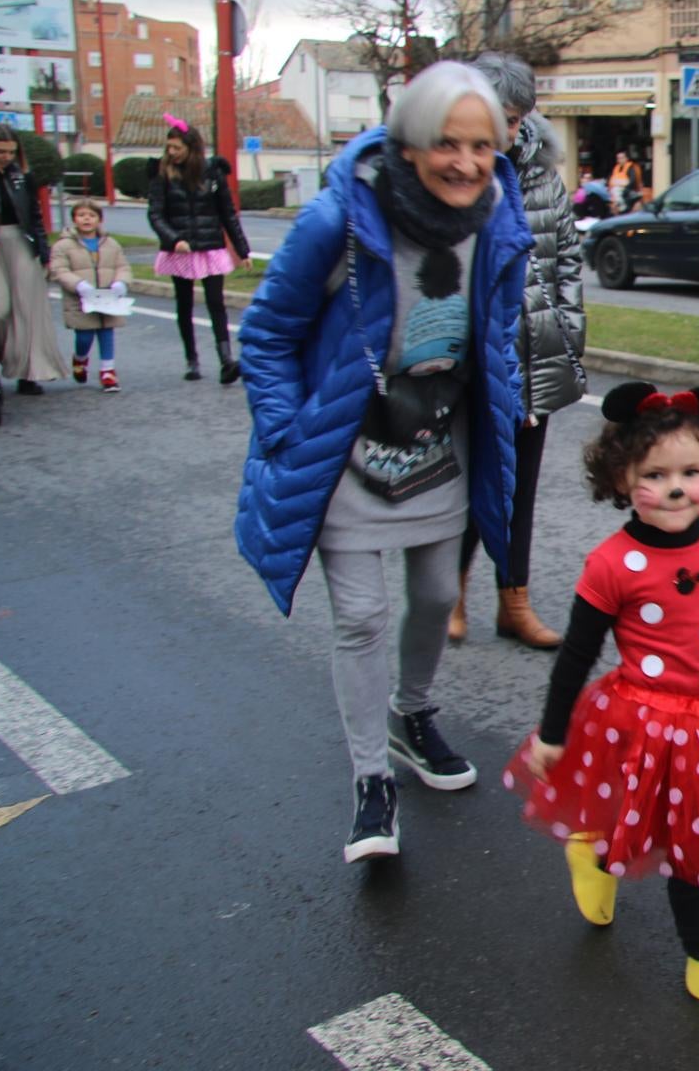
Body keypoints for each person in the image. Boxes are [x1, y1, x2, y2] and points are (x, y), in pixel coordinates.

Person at [233, 61, 531, 864]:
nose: (465, 162)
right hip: (344, 441)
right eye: (445, 144)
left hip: (440, 436)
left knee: (438, 592)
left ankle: (412, 713)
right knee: (361, 616)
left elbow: (495, 329)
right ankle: (372, 780)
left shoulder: (500, 217)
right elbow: (264, 334)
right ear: (406, 148)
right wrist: (285, 428)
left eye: (480, 144)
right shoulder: (338, 220)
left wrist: (502, 402)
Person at [506, 382, 699, 1017]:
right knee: (682, 841)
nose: (676, 488)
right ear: (622, 479)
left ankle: (593, 853)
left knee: (671, 829)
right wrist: (553, 733)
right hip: (641, 717)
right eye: (656, 475)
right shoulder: (612, 564)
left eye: (690, 471)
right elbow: (576, 657)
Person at [449, 53, 588, 650]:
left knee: (519, 488)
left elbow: (566, 261)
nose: (507, 132)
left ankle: (515, 602)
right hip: (475, 361)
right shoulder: (460, 169)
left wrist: (566, 341)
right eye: (500, 116)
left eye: (517, 118)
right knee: (466, 482)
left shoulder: (540, 174)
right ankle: (448, 595)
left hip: (538, 356)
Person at [147, 116, 252, 383]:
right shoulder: (162, 174)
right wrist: (173, 240)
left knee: (216, 303)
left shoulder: (213, 173)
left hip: (209, 246)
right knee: (184, 304)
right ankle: (191, 360)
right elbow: (155, 214)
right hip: (180, 248)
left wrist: (243, 250)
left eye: (177, 148)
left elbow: (228, 213)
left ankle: (226, 360)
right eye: (169, 148)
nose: (172, 153)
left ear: (191, 148)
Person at [0, 124, 68, 394]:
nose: (6, 157)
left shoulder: (22, 178)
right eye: (0, 151)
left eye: (10, 152)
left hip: (22, 242)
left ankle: (28, 372)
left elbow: (35, 217)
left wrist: (44, 253)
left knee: (28, 309)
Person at [48, 200, 131, 393]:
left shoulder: (111, 244)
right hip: (81, 299)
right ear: (74, 219)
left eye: (92, 215)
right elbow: (58, 269)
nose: (87, 219)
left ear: (99, 220)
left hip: (108, 297)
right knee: (85, 335)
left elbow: (123, 266)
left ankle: (107, 371)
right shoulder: (63, 245)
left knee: (106, 331)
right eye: (82, 215)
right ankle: (80, 358)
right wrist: (78, 284)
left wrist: (121, 282)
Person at [609, 148, 645, 212]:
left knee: (617, 191)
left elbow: (632, 180)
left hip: (627, 190)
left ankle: (623, 207)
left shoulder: (630, 168)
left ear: (626, 158)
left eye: (622, 158)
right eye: (618, 158)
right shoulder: (616, 168)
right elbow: (611, 180)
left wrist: (625, 189)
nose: (620, 160)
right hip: (615, 191)